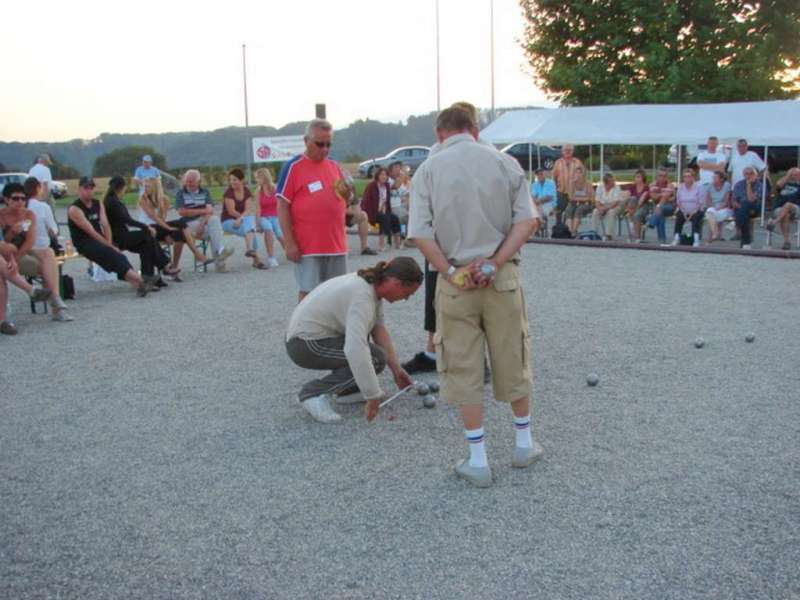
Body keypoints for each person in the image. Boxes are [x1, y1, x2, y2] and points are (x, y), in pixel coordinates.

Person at [408, 106, 541, 488]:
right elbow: (527, 221)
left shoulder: (427, 170)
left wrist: (450, 272)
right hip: (501, 279)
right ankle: (523, 444)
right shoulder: (506, 163)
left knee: (462, 367)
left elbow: (420, 232)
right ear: (475, 130)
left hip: (454, 283)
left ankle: (478, 459)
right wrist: (495, 263)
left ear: (439, 134)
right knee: (513, 356)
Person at [285, 257, 421, 423]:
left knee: (376, 357)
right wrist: (372, 395)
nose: (406, 298)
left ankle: (348, 391)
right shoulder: (362, 296)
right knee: (374, 358)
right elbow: (355, 348)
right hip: (304, 344)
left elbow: (379, 330)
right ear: (397, 283)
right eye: (408, 293)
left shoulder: (372, 286)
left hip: (313, 337)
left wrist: (397, 370)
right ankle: (312, 393)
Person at [276, 119, 350, 301]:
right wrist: (290, 243)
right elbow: (282, 206)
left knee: (337, 293)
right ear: (306, 140)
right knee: (309, 293)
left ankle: (332, 329)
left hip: (336, 244)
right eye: (320, 144)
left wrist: (349, 200)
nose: (325, 149)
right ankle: (303, 329)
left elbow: (343, 198)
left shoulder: (334, 166)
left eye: (328, 144)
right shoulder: (293, 167)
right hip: (308, 246)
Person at [68, 177, 151, 295]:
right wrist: (109, 246)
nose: (89, 190)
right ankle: (141, 280)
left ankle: (138, 284)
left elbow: (106, 225)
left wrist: (110, 243)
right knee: (110, 253)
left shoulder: (98, 203)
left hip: (99, 239)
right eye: (86, 188)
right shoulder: (75, 209)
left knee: (118, 255)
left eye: (91, 187)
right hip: (84, 242)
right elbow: (91, 232)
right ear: (79, 189)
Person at [0, 183, 57, 328]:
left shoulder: (28, 214)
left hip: (13, 255)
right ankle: (31, 290)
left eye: (23, 198)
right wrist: (12, 232)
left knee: (47, 253)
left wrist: (14, 258)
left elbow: (28, 242)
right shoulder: (1, 216)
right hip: (7, 257)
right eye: (15, 198)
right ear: (6, 199)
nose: (20, 202)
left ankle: (56, 304)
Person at [103, 176, 176, 287]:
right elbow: (127, 220)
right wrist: (146, 227)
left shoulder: (111, 200)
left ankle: (149, 279)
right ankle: (164, 266)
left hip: (121, 235)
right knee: (147, 235)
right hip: (118, 238)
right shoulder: (113, 202)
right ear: (122, 188)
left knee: (146, 246)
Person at [137, 177, 212, 272]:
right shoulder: (143, 199)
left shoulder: (164, 199)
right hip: (147, 228)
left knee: (179, 234)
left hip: (159, 227)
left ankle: (174, 267)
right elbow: (154, 218)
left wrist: (167, 231)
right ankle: (198, 255)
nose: (145, 189)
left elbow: (161, 218)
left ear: (155, 188)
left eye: (148, 186)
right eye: (145, 186)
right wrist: (168, 229)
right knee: (180, 224)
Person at [174, 169, 234, 272]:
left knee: (214, 221)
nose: (189, 183)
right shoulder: (181, 193)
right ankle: (220, 261)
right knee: (215, 231)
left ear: (198, 181)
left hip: (203, 222)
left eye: (191, 181)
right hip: (188, 224)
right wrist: (202, 211)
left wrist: (201, 223)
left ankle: (219, 255)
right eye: (187, 181)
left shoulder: (205, 192)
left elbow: (210, 211)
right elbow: (182, 212)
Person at [222, 168, 266, 269]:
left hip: (241, 221)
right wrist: (241, 219)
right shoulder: (229, 192)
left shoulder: (246, 191)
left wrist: (241, 219)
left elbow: (248, 209)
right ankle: (256, 259)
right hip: (228, 221)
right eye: (231, 180)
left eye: (235, 179)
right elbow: (231, 211)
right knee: (250, 228)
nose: (232, 182)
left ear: (241, 180)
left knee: (249, 226)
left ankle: (251, 251)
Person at [361, 167, 401, 252]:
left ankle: (397, 243)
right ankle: (381, 244)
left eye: (386, 175)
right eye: (382, 174)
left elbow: (387, 201)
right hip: (372, 211)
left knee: (395, 218)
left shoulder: (387, 185)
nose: (384, 176)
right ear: (378, 176)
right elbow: (365, 201)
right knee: (384, 218)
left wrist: (387, 211)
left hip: (384, 210)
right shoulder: (372, 185)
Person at [254, 167, 285, 268]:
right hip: (264, 217)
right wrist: (258, 224)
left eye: (258, 178)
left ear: (263, 177)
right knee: (268, 229)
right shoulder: (258, 191)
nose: (256, 180)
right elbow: (258, 208)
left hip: (275, 216)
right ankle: (271, 257)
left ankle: (290, 252)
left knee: (280, 234)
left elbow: (281, 205)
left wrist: (283, 218)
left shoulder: (275, 188)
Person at [767, 167, 800, 250]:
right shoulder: (784, 184)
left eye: (796, 175)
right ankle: (786, 242)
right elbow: (778, 185)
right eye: (792, 175)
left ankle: (774, 222)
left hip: (796, 208)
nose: (793, 176)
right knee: (785, 215)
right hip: (780, 209)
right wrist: (788, 176)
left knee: (788, 204)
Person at [732, 166, 764, 250]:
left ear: (756, 175)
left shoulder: (759, 185)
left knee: (745, 205)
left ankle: (737, 224)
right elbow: (734, 200)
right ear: (743, 175)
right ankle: (746, 242)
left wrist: (749, 185)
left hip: (754, 208)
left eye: (751, 173)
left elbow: (752, 199)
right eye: (746, 174)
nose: (748, 176)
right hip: (741, 209)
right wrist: (738, 205)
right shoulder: (739, 184)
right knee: (742, 212)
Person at [671, 169, 705, 247]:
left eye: (689, 176)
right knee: (679, 216)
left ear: (693, 177)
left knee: (696, 217)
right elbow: (678, 202)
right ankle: (676, 237)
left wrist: (692, 212)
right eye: (685, 176)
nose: (687, 178)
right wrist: (684, 212)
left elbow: (700, 202)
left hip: (696, 210)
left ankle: (696, 239)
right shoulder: (680, 187)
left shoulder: (698, 187)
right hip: (684, 210)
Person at [551, 144, 584, 224]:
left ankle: (567, 228)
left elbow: (583, 175)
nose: (568, 151)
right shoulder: (558, 162)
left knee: (569, 211)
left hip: (573, 192)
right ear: (562, 151)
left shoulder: (577, 162)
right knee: (559, 210)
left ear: (573, 151)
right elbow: (554, 176)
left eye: (570, 150)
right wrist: (555, 189)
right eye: (566, 150)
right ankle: (558, 227)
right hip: (561, 190)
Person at [647, 168, 676, 243]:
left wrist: (659, 195)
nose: (662, 178)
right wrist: (662, 194)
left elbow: (666, 196)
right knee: (660, 213)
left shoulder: (670, 185)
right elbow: (653, 197)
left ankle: (652, 222)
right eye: (660, 175)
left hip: (670, 207)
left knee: (660, 209)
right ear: (657, 176)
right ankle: (662, 240)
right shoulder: (652, 185)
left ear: (667, 177)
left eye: (664, 176)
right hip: (659, 210)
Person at [592, 173, 625, 240]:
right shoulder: (600, 187)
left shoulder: (616, 187)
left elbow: (616, 202)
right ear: (606, 183)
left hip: (615, 206)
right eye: (612, 181)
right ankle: (594, 232)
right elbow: (597, 201)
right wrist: (600, 208)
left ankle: (609, 234)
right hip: (602, 206)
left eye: (613, 181)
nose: (614, 182)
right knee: (595, 211)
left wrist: (605, 209)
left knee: (611, 212)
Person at [564, 165, 593, 237]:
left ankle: (573, 231)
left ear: (583, 174)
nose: (578, 175)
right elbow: (570, 197)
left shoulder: (588, 184)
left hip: (586, 204)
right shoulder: (572, 183)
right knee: (568, 210)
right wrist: (582, 198)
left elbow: (590, 198)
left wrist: (577, 198)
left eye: (580, 173)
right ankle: (570, 231)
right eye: (576, 173)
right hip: (574, 203)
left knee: (579, 209)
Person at [704, 172, 733, 243]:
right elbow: (708, 200)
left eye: (715, 178)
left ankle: (712, 236)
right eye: (713, 177)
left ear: (721, 179)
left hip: (724, 208)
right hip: (712, 207)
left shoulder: (726, 185)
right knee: (710, 211)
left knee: (711, 215)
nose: (713, 179)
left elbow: (726, 201)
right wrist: (713, 207)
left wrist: (718, 208)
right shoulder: (709, 186)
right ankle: (716, 233)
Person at [625, 169, 650, 242]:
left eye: (638, 177)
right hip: (632, 207)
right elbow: (627, 196)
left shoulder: (646, 187)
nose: (636, 179)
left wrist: (632, 210)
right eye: (635, 177)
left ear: (643, 178)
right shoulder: (632, 187)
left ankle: (637, 236)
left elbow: (641, 201)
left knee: (636, 215)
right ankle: (635, 229)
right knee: (632, 199)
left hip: (643, 206)